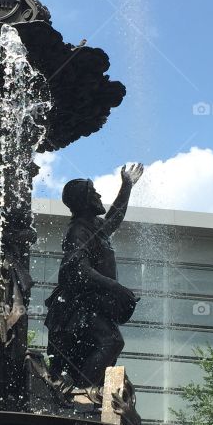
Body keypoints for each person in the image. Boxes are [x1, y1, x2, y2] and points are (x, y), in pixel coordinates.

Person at [44, 163, 144, 392]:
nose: (99, 196)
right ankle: (79, 394)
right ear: (86, 200)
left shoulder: (93, 226)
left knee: (104, 346)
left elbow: (114, 219)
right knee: (112, 341)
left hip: (93, 305)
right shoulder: (78, 230)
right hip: (78, 306)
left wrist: (127, 186)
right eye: (95, 192)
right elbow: (80, 269)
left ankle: (84, 390)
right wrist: (116, 287)